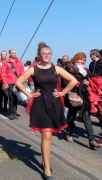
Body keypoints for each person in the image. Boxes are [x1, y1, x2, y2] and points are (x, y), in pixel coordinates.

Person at [16, 42, 77, 179]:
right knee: (47, 135)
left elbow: (73, 80)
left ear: (51, 55)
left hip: (54, 103)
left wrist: (62, 93)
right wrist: (30, 94)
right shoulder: (34, 69)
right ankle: (46, 167)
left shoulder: (56, 69)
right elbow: (19, 82)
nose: (46, 55)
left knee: (49, 135)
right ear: (39, 55)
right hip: (40, 104)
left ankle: (45, 161)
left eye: (48, 53)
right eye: (43, 53)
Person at [62, 52, 101, 149]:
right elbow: (64, 82)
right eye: (80, 59)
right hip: (73, 95)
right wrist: (79, 83)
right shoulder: (69, 68)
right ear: (75, 59)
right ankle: (69, 133)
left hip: (84, 96)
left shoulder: (86, 70)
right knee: (71, 115)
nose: (81, 61)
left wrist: (89, 83)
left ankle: (92, 140)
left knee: (86, 117)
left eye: (83, 60)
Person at [2, 49, 24, 120]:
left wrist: (22, 81)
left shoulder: (19, 62)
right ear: (9, 54)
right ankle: (10, 113)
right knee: (11, 98)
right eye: (13, 53)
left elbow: (22, 71)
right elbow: (3, 73)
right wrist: (5, 83)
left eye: (15, 53)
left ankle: (15, 112)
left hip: (17, 83)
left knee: (16, 98)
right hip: (10, 83)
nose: (14, 54)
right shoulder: (6, 62)